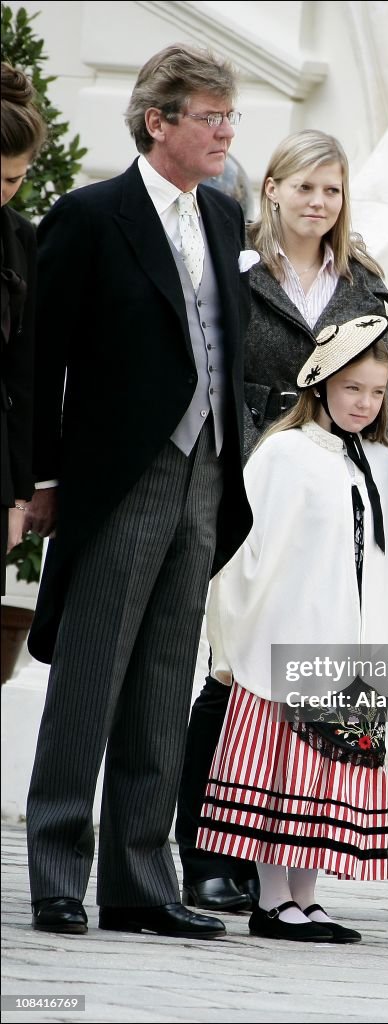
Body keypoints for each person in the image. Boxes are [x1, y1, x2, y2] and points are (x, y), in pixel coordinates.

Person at [23, 44, 253, 939]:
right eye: (210, 116)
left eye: (230, 116)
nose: (226, 131)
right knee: (89, 677)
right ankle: (55, 870)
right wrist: (42, 478)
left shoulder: (226, 219)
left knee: (163, 680)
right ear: (158, 122)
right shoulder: (90, 216)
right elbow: (43, 360)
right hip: (121, 474)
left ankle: (140, 884)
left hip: (207, 471)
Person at [194, 313, 388, 942]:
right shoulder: (282, 453)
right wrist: (232, 637)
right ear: (322, 382)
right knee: (284, 771)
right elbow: (245, 553)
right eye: (352, 387)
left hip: (355, 653)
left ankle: (306, 896)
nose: (364, 403)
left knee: (324, 774)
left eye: (377, 392)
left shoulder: (385, 464)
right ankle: (272, 900)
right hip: (294, 638)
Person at [175, 129, 388, 913]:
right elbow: (209, 364)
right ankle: (206, 851)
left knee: (300, 678)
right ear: (271, 188)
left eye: (331, 190)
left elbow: (376, 384)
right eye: (304, 186)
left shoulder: (363, 285)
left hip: (323, 491)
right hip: (245, 473)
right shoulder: (233, 269)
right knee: (231, 670)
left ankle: (277, 851)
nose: (317, 202)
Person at [1, 63, 46, 586]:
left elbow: (22, 371)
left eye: (14, 179)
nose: (3, 191)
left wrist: (17, 494)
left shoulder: (21, 239)